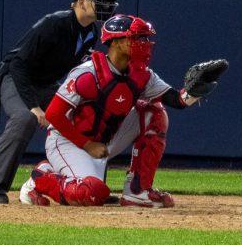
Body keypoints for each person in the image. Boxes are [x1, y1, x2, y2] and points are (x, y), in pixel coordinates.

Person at [20, 14, 221, 208]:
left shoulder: (142, 75)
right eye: (137, 38)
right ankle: (40, 177)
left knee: (154, 112)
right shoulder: (87, 73)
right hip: (68, 141)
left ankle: (137, 191)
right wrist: (88, 145)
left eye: (145, 38)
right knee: (92, 193)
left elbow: (177, 100)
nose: (144, 43)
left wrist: (195, 91)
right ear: (116, 42)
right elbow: (54, 115)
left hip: (104, 140)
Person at [0, 0, 120, 204]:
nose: (106, 6)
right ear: (81, 2)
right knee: (25, 118)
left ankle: (90, 185)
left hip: (45, 84)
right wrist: (34, 107)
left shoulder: (91, 32)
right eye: (99, 1)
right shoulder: (54, 23)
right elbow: (18, 65)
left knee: (90, 115)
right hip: (15, 79)